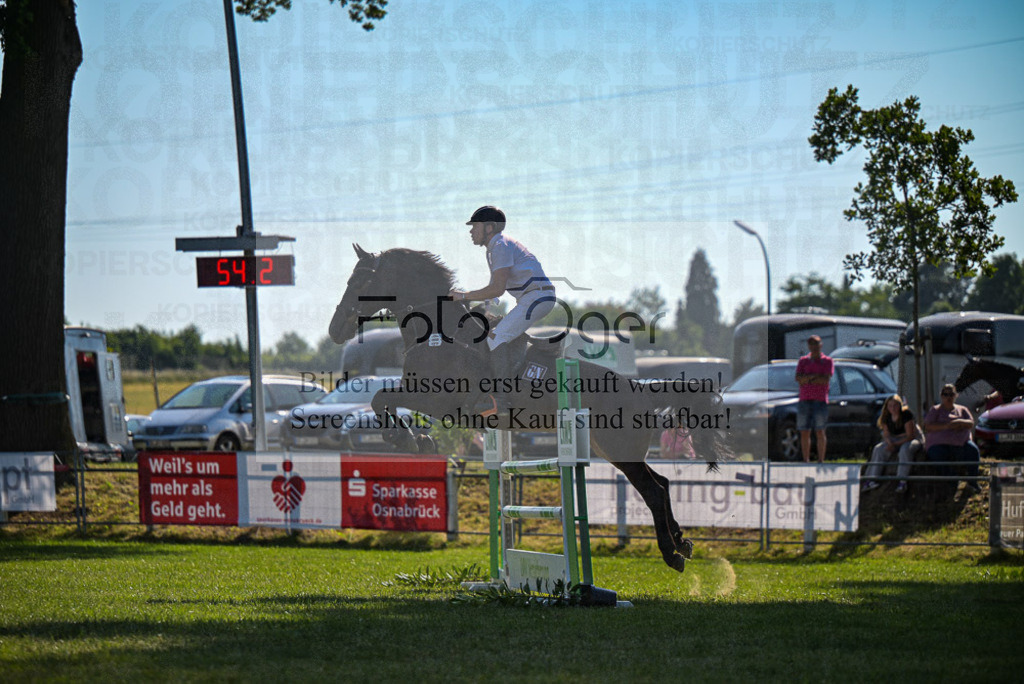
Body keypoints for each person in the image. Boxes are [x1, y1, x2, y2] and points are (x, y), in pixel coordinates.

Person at [449, 206, 555, 416]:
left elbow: (497, 288)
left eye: (475, 226)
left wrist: (463, 296)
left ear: (489, 227)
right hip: (532, 297)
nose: (471, 231)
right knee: (494, 333)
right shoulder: (496, 246)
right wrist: (473, 303)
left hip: (536, 297)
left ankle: (502, 399)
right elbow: (495, 293)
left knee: (496, 338)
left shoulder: (499, 245)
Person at [923, 384, 981, 494]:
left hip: (961, 442)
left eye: (951, 394)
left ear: (956, 396)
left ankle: (972, 481)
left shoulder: (962, 409)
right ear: (941, 396)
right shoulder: (935, 410)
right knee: (937, 456)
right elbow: (928, 426)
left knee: (973, 450)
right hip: (939, 444)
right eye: (945, 394)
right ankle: (952, 479)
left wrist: (960, 422)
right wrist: (946, 426)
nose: (948, 397)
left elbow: (971, 423)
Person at [862, 394, 923, 494]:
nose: (893, 408)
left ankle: (902, 481)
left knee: (905, 450)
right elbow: (886, 435)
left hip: (912, 439)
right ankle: (871, 479)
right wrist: (890, 443)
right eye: (890, 406)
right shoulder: (886, 417)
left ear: (900, 405)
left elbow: (910, 436)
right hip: (895, 439)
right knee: (878, 449)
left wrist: (895, 444)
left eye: (895, 405)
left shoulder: (906, 415)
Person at [795, 335, 834, 463]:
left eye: (816, 344)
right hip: (804, 399)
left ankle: (821, 459)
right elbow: (799, 379)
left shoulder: (827, 361)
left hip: (820, 400)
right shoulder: (803, 361)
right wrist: (814, 377)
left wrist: (808, 378)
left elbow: (825, 379)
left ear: (821, 345)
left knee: (820, 430)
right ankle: (806, 459)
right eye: (811, 344)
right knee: (804, 431)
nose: (814, 347)